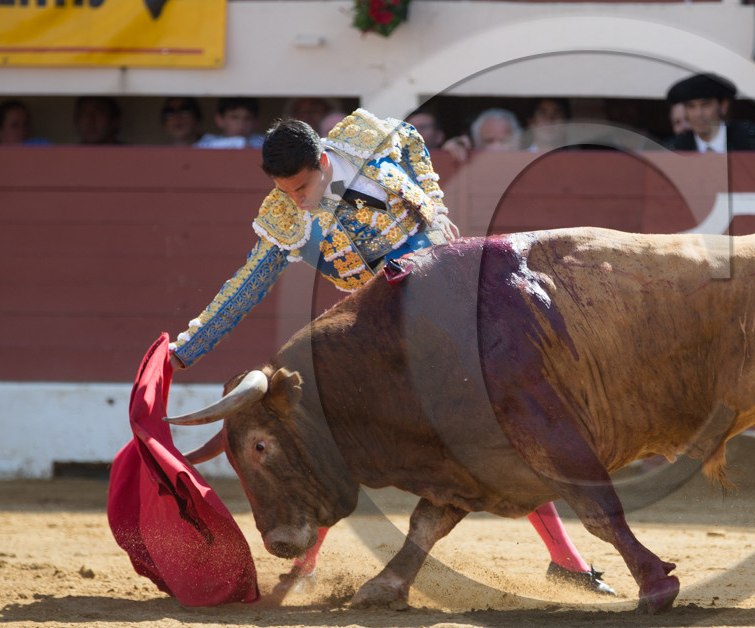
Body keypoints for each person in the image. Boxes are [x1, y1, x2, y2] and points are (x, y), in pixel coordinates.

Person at [169, 109, 615, 598]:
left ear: (322, 159)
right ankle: (305, 566)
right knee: (327, 433)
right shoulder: (284, 217)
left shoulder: (368, 136)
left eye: (302, 187)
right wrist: (186, 349)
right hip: (375, 327)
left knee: (497, 423)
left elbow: (412, 140)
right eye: (286, 191)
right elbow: (245, 288)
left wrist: (434, 203)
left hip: (446, 298)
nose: (297, 200)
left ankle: (567, 560)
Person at [665, 72, 755, 152]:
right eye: (691, 107)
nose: (698, 114)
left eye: (705, 105)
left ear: (723, 106)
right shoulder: (673, 150)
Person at [441, 107, 522, 162]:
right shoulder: (468, 167)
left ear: (517, 141)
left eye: (504, 141)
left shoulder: (528, 168)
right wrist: (448, 155)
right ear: (476, 142)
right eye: (489, 141)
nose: (496, 148)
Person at [196, 97, 265, 149]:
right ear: (220, 120)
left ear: (256, 121)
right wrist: (239, 142)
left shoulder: (263, 142)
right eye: (234, 117)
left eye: (247, 118)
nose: (241, 124)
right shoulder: (208, 141)